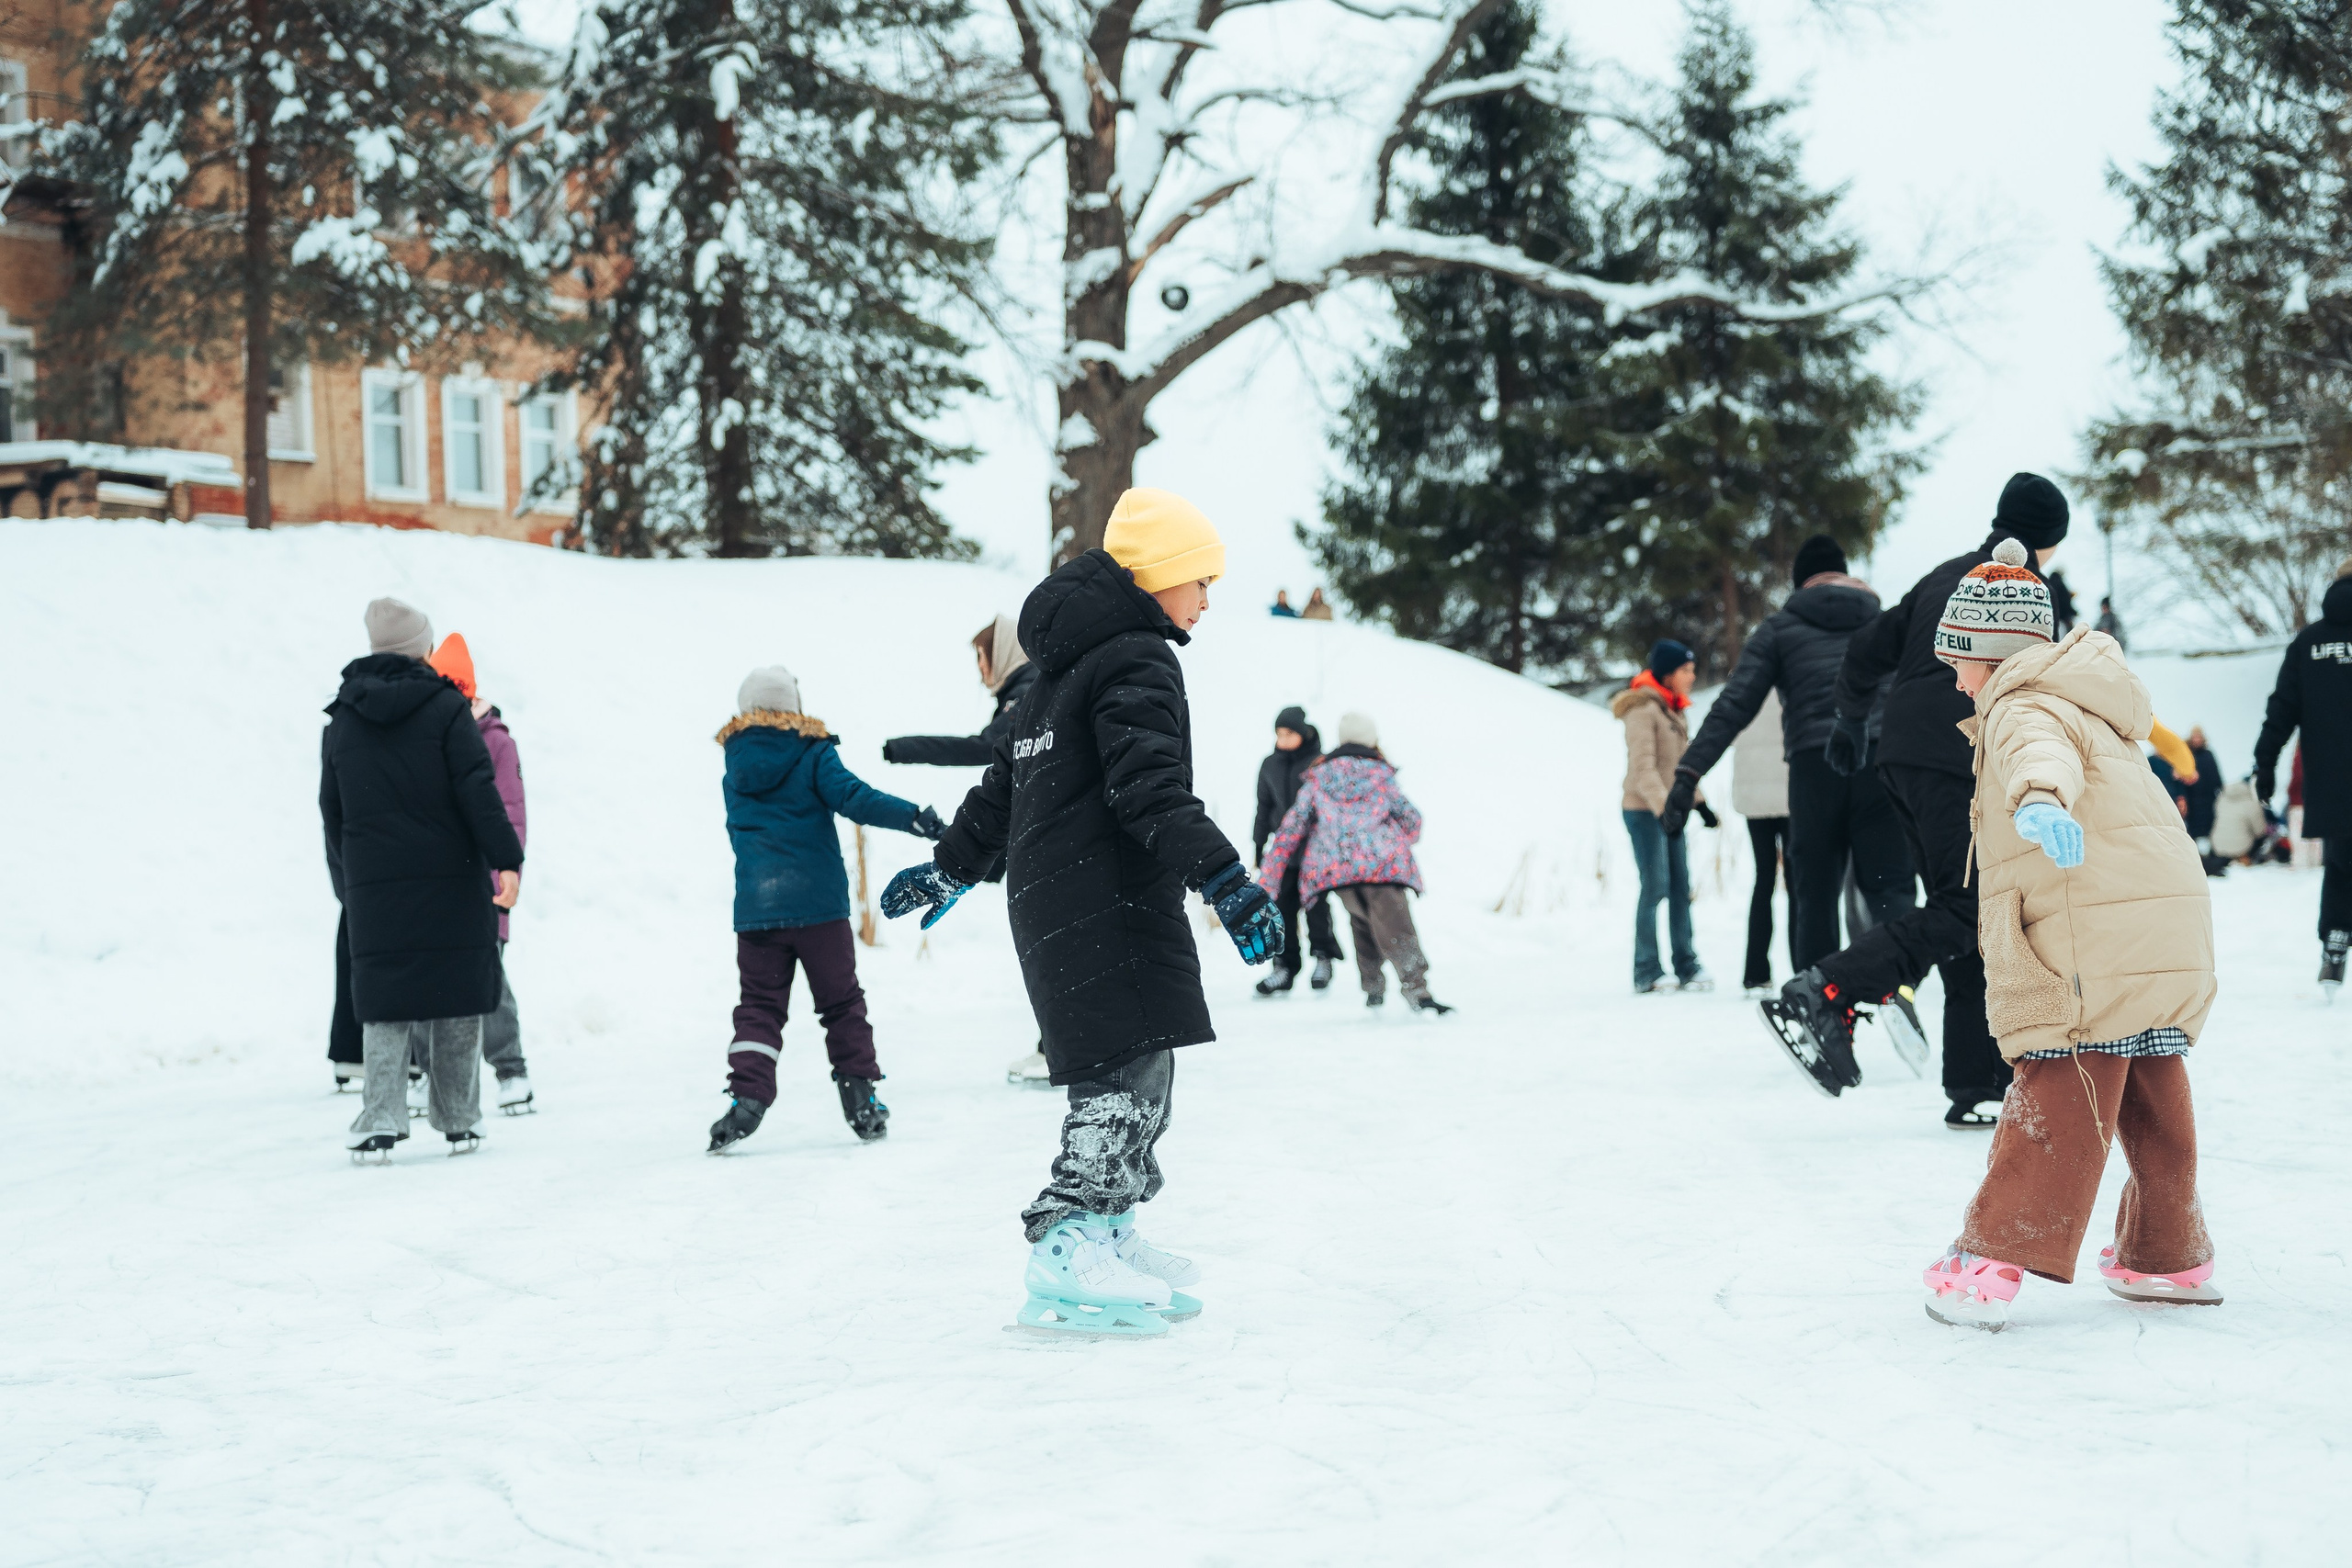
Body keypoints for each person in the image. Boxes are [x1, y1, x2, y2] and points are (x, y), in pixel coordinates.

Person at [878, 488, 1285, 1339]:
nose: (1207, 600)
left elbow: (1002, 786)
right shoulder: (1135, 657)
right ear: (1160, 576)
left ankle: (1110, 1230)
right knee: (1122, 1075)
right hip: (1105, 894)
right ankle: (1067, 1239)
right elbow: (1150, 789)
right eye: (1200, 580)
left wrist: (951, 869)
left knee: (1140, 1065)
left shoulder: (1057, 670)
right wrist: (1227, 880)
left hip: (1059, 892)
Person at [1917, 538, 2220, 1330]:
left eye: (1961, 660)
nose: (1957, 677)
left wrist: (2041, 800)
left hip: (2096, 929)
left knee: (2064, 1081)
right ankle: (2170, 1254)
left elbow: (2036, 754)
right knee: (2152, 1080)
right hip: (2159, 915)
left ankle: (1989, 1258)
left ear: (1997, 654)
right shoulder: (2092, 701)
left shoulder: (2021, 703)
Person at [1777, 474, 2071, 1127]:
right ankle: (1828, 987)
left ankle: (1975, 1083)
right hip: (1957, 758)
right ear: (2048, 541)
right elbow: (2040, 687)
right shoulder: (2027, 592)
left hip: (1899, 758)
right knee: (1969, 905)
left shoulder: (1944, 574)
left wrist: (1852, 723)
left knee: (1967, 903)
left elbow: (1865, 650)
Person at [707, 665, 944, 1153]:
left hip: (757, 910)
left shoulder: (735, 763)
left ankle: (747, 1100)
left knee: (758, 1007)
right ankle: (860, 1100)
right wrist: (914, 818)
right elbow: (855, 798)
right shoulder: (811, 752)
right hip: (818, 908)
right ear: (792, 707)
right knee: (840, 1004)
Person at [1662, 536, 1916, 991]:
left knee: (1814, 894)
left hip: (1814, 771)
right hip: (1882, 764)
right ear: (1847, 574)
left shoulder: (1781, 628)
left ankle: (1826, 1007)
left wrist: (1688, 773)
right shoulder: (1883, 622)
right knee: (1889, 885)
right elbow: (1921, 697)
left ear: (1801, 583)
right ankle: (1899, 986)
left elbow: (1734, 705)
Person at [322, 598, 524, 1163]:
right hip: (450, 876)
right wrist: (507, 860)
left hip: (376, 885)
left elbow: (330, 810)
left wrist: (349, 881)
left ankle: (381, 1116)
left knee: (385, 997)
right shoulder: (445, 708)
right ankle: (460, 1117)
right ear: (422, 650)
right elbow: (479, 793)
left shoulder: (343, 717)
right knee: (458, 989)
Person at [883, 614, 1048, 1086]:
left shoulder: (1029, 692)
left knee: (1054, 947)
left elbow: (985, 748)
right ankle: (1059, 1045)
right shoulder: (1023, 691)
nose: (979, 669)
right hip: (1030, 840)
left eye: (981, 657)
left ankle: (1061, 1048)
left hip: (1045, 843)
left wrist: (904, 748)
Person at [1257, 711, 1450, 1014]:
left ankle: (1373, 989)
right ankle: (1420, 994)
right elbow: (1412, 820)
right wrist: (1395, 839)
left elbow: (1291, 828)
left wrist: (1269, 876)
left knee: (1362, 924)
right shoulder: (1380, 775)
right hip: (1383, 867)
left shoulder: (1319, 775)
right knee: (1397, 928)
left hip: (1338, 871)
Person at [427, 633, 535, 1115]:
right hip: (438, 882)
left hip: (485, 882)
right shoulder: (426, 735)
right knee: (426, 981)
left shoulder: (494, 742)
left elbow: (510, 812)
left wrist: (502, 875)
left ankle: (511, 1070)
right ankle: (425, 1075)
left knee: (488, 979)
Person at [2252, 556, 2352, 995]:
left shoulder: (2309, 642)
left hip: (2333, 783)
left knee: (2340, 865)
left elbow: (2281, 710)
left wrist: (2265, 764)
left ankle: (2334, 945)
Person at [1614, 640, 1710, 994]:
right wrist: (1663, 808)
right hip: (1643, 812)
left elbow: (1679, 766)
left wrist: (1699, 802)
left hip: (1670, 812)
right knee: (1654, 887)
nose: (1692, 676)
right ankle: (1647, 970)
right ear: (1668, 674)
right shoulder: (1643, 710)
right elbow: (1644, 770)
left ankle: (1687, 965)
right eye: (1686, 670)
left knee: (1680, 888)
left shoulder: (1673, 710)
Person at [1251, 705, 1345, 994]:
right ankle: (1284, 967)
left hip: (1316, 850)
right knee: (1282, 907)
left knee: (1316, 906)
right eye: (1279, 734)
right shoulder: (1270, 764)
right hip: (1284, 851)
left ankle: (1323, 958)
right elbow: (1263, 806)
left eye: (1289, 733)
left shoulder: (1320, 762)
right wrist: (1258, 845)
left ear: (1302, 733)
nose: (1283, 738)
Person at [1732, 689, 1790, 996]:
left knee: (1764, 879)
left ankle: (1755, 972)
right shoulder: (1794, 679)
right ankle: (1805, 967)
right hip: (1791, 795)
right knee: (1799, 885)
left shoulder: (1744, 687)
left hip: (1753, 799)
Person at [2044, 566, 2078, 637]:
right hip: (2061, 618)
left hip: (2050, 618)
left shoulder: (2048, 584)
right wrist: (2071, 612)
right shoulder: (2060, 584)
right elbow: (2064, 601)